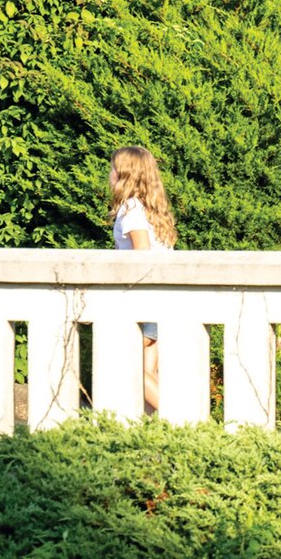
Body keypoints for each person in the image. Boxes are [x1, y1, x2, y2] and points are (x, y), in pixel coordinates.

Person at [108, 145, 178, 413]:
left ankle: (181, 418)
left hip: (144, 303)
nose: (109, 174)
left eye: (113, 169)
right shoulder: (152, 210)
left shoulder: (132, 210)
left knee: (129, 367)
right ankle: (156, 438)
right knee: (147, 374)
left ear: (125, 175)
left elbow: (142, 256)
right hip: (162, 301)